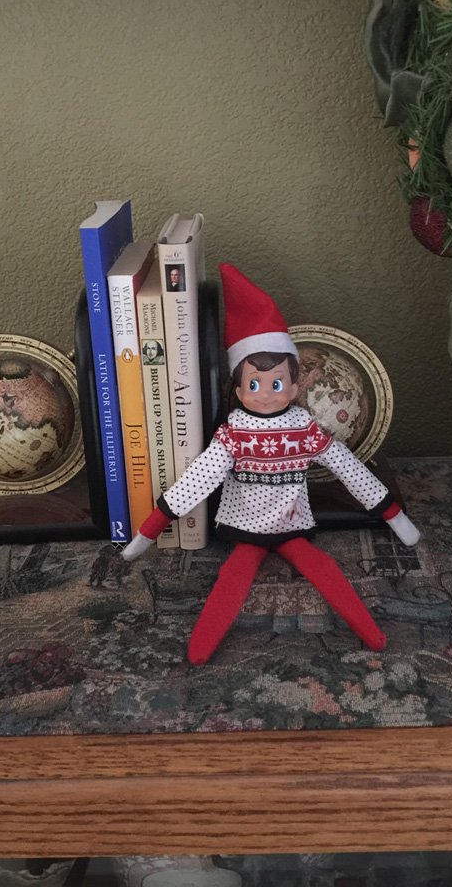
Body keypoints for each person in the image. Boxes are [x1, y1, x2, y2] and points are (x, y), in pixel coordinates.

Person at [123, 263, 420, 665]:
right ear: (239, 390)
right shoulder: (234, 435)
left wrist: (392, 514)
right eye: (254, 383)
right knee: (232, 577)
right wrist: (150, 529)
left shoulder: (304, 430)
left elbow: (347, 468)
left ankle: (373, 634)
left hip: (292, 523)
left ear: (295, 388)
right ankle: (199, 651)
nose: (265, 393)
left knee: (323, 568)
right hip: (246, 527)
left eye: (276, 383)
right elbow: (197, 480)